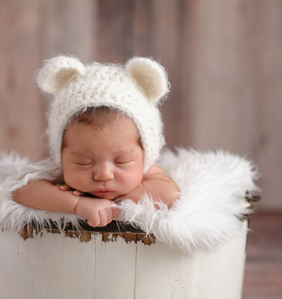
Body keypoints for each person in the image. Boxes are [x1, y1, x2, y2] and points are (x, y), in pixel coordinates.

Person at [12, 56, 180, 228]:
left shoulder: (147, 169)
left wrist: (118, 199)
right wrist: (77, 204)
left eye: (122, 161)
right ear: (61, 155)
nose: (104, 175)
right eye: (83, 162)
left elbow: (170, 195)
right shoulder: (61, 167)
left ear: (144, 154)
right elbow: (21, 191)